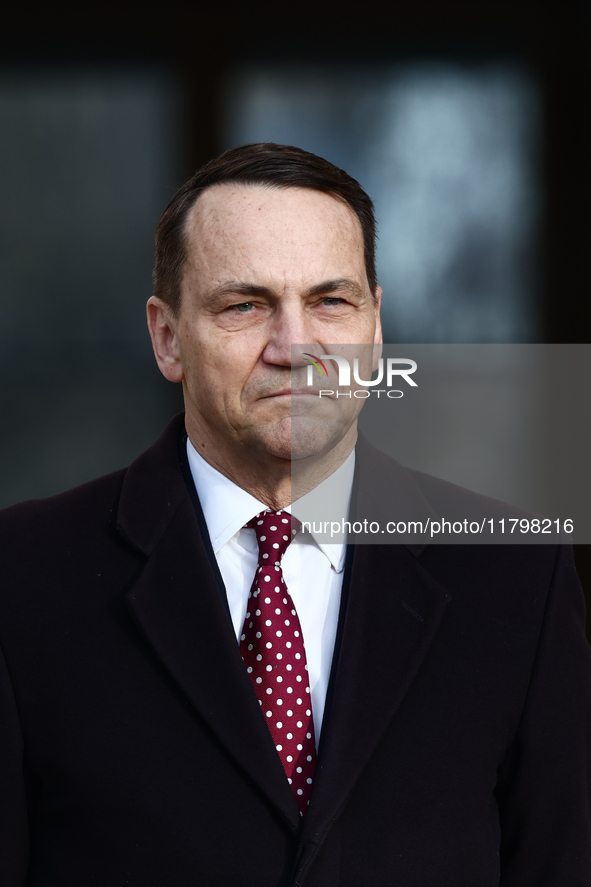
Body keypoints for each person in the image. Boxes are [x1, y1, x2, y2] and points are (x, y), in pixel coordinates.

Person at [0, 143, 590, 887]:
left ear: (375, 332)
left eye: (329, 302)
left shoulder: (516, 578)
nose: (292, 347)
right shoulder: (22, 579)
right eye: (244, 304)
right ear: (166, 337)